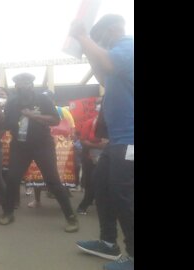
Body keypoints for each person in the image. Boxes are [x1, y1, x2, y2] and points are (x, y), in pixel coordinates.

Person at [70, 14, 134, 270]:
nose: (100, 43)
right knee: (101, 186)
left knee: (123, 195)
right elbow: (103, 75)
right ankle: (108, 243)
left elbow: (106, 62)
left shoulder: (127, 46)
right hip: (118, 139)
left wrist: (84, 36)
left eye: (100, 38)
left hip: (130, 140)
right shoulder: (117, 58)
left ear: (112, 29)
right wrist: (86, 47)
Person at [0, 73, 79, 233]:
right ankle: (8, 213)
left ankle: (71, 217)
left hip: (42, 145)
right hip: (20, 146)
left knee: (53, 181)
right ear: (16, 86)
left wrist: (34, 115)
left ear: (32, 84)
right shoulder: (12, 102)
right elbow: (7, 124)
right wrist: (2, 118)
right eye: (20, 83)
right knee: (12, 179)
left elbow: (55, 120)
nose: (24, 86)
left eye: (27, 83)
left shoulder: (42, 100)